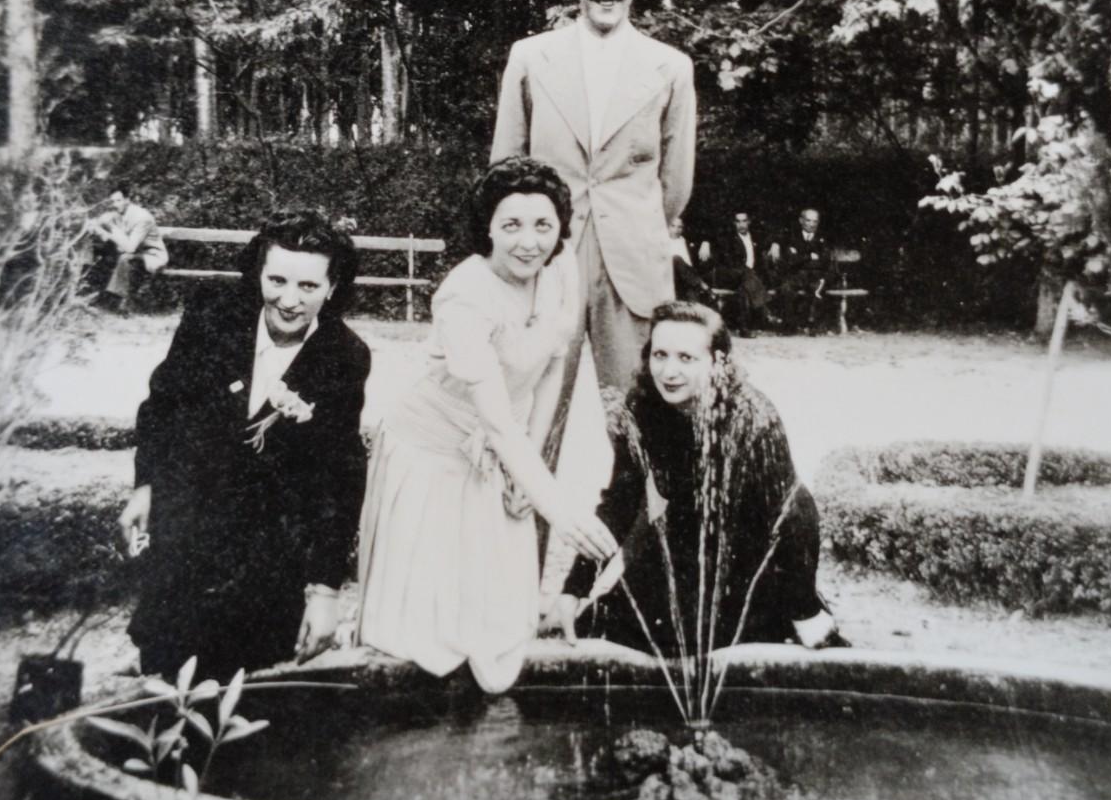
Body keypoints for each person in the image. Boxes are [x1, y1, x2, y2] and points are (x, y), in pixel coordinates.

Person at [356, 157, 617, 693]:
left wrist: (532, 466)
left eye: (543, 225)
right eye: (511, 225)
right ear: (488, 228)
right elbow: (494, 418)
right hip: (429, 454)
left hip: (506, 447)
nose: (529, 242)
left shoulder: (562, 271)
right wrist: (556, 505)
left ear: (560, 228)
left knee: (497, 615)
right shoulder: (463, 295)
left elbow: (550, 369)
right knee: (424, 627)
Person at [119, 209, 371, 681]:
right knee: (168, 671)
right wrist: (145, 485)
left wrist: (324, 590)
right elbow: (163, 404)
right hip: (187, 529)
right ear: (258, 273)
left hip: (270, 555)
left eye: (309, 287)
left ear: (333, 288)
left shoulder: (345, 356)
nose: (289, 300)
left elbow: (341, 474)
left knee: (253, 693)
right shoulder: (212, 316)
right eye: (276, 280)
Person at [491, 0, 697, 475]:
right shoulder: (531, 58)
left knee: (641, 430)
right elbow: (505, 171)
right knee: (530, 425)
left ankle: (642, 563)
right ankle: (514, 563)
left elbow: (675, 184)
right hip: (546, 262)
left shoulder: (671, 67)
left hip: (632, 269)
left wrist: (638, 228)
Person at [546, 301, 841, 655]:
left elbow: (796, 513)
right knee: (599, 627)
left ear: (718, 361)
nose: (669, 371)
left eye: (686, 358)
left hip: (748, 563)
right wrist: (575, 586)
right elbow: (620, 504)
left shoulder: (753, 418)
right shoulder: (642, 408)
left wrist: (804, 609)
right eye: (660, 355)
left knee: (703, 649)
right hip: (683, 548)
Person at [88, 183, 169, 310]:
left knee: (125, 259)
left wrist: (111, 229)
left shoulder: (142, 217)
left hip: (151, 256)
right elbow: (97, 223)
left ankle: (118, 301)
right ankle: (95, 294)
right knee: (101, 252)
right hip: (131, 254)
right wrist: (95, 227)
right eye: (112, 201)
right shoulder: (115, 214)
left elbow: (130, 247)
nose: (115, 204)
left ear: (127, 200)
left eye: (119, 200)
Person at [698, 211, 776, 335]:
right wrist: (706, 242)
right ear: (734, 223)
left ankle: (744, 329)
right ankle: (765, 311)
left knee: (744, 289)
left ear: (749, 222)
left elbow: (774, 234)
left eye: (744, 221)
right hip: (730, 275)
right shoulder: (728, 239)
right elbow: (712, 231)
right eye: (738, 221)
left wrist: (775, 244)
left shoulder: (756, 237)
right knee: (746, 272)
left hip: (749, 280)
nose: (741, 225)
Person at [768, 208, 829, 333]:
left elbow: (824, 261)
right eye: (808, 220)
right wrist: (810, 257)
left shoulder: (823, 239)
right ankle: (789, 325)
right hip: (796, 276)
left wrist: (799, 257)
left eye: (815, 221)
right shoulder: (792, 236)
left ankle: (814, 326)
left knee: (817, 290)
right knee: (786, 288)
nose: (812, 224)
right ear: (801, 221)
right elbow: (790, 261)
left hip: (816, 276)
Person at [668, 215, 715, 306]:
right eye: (673, 226)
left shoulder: (686, 242)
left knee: (693, 296)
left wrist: (706, 243)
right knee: (676, 258)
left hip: (690, 278)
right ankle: (703, 286)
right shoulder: (662, 242)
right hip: (673, 277)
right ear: (667, 227)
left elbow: (696, 263)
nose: (676, 230)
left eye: (679, 227)